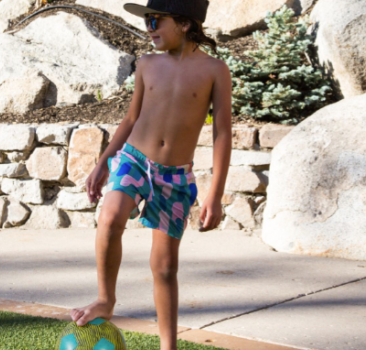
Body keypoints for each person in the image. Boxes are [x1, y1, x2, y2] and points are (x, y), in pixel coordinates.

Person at [71, 0, 232, 349]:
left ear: (186, 24)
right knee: (110, 217)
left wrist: (214, 194)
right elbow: (130, 119)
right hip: (134, 158)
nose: (149, 27)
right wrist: (103, 162)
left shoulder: (215, 70)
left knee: (164, 267)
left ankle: (167, 346)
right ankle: (105, 298)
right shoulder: (147, 64)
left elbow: (222, 133)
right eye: (147, 20)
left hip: (174, 176)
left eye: (156, 19)